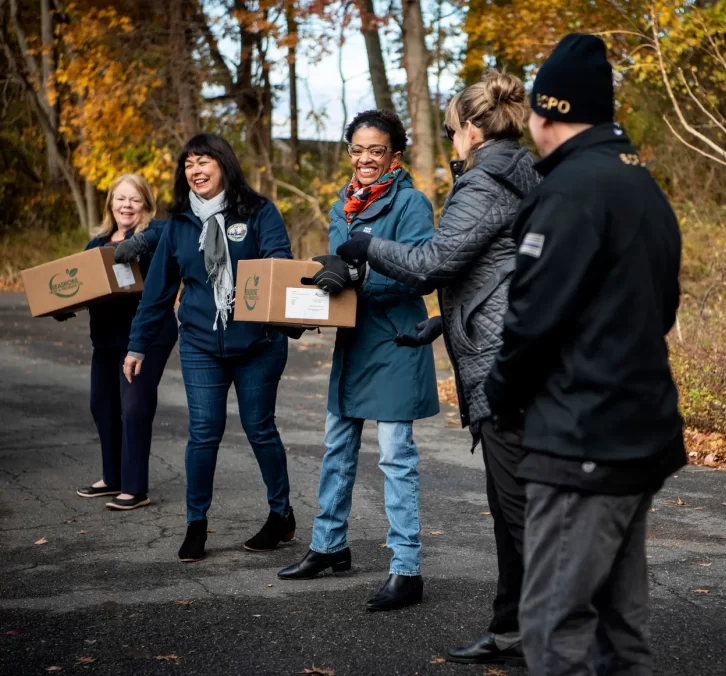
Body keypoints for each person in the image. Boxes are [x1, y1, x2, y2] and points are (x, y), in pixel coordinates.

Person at [483, 34, 686, 675]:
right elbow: (664, 311)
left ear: (546, 114)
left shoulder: (568, 192)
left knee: (555, 627)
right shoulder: (641, 185)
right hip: (639, 434)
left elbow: (531, 324)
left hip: (583, 441)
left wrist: (499, 399)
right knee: (620, 630)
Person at [336, 72, 540, 662]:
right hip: (511, 345)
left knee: (517, 509)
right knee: (513, 505)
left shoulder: (485, 181)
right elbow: (496, 268)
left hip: (503, 362)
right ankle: (513, 628)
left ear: (473, 129)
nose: (451, 140)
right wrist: (441, 324)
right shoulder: (519, 171)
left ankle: (547, 634)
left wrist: (366, 246)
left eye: (452, 130)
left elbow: (434, 262)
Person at [278, 110, 440, 612]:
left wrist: (359, 274)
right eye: (357, 150)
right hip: (353, 342)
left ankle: (406, 570)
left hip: (396, 340)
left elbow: (420, 272)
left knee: (395, 457)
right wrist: (305, 304)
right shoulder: (341, 206)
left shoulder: (412, 203)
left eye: (376, 150)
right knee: (337, 448)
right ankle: (329, 545)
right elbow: (339, 274)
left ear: (394, 155)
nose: (365, 159)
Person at [123, 133, 297, 563]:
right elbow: (158, 291)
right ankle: (196, 523)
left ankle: (281, 514)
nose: (195, 170)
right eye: (188, 164)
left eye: (203, 161)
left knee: (259, 428)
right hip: (201, 344)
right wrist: (137, 345)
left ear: (224, 164)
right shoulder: (180, 224)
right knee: (203, 433)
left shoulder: (258, 212)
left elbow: (278, 263)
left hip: (258, 343)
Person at [69, 174, 177, 511]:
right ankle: (112, 477)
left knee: (134, 408)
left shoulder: (156, 235)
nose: (126, 205)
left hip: (146, 336)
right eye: (120, 198)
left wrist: (140, 242)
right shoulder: (97, 243)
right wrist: (63, 306)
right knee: (101, 405)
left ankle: (135, 488)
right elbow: (81, 284)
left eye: (134, 199)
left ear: (146, 203)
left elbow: (169, 231)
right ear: (110, 204)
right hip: (106, 337)